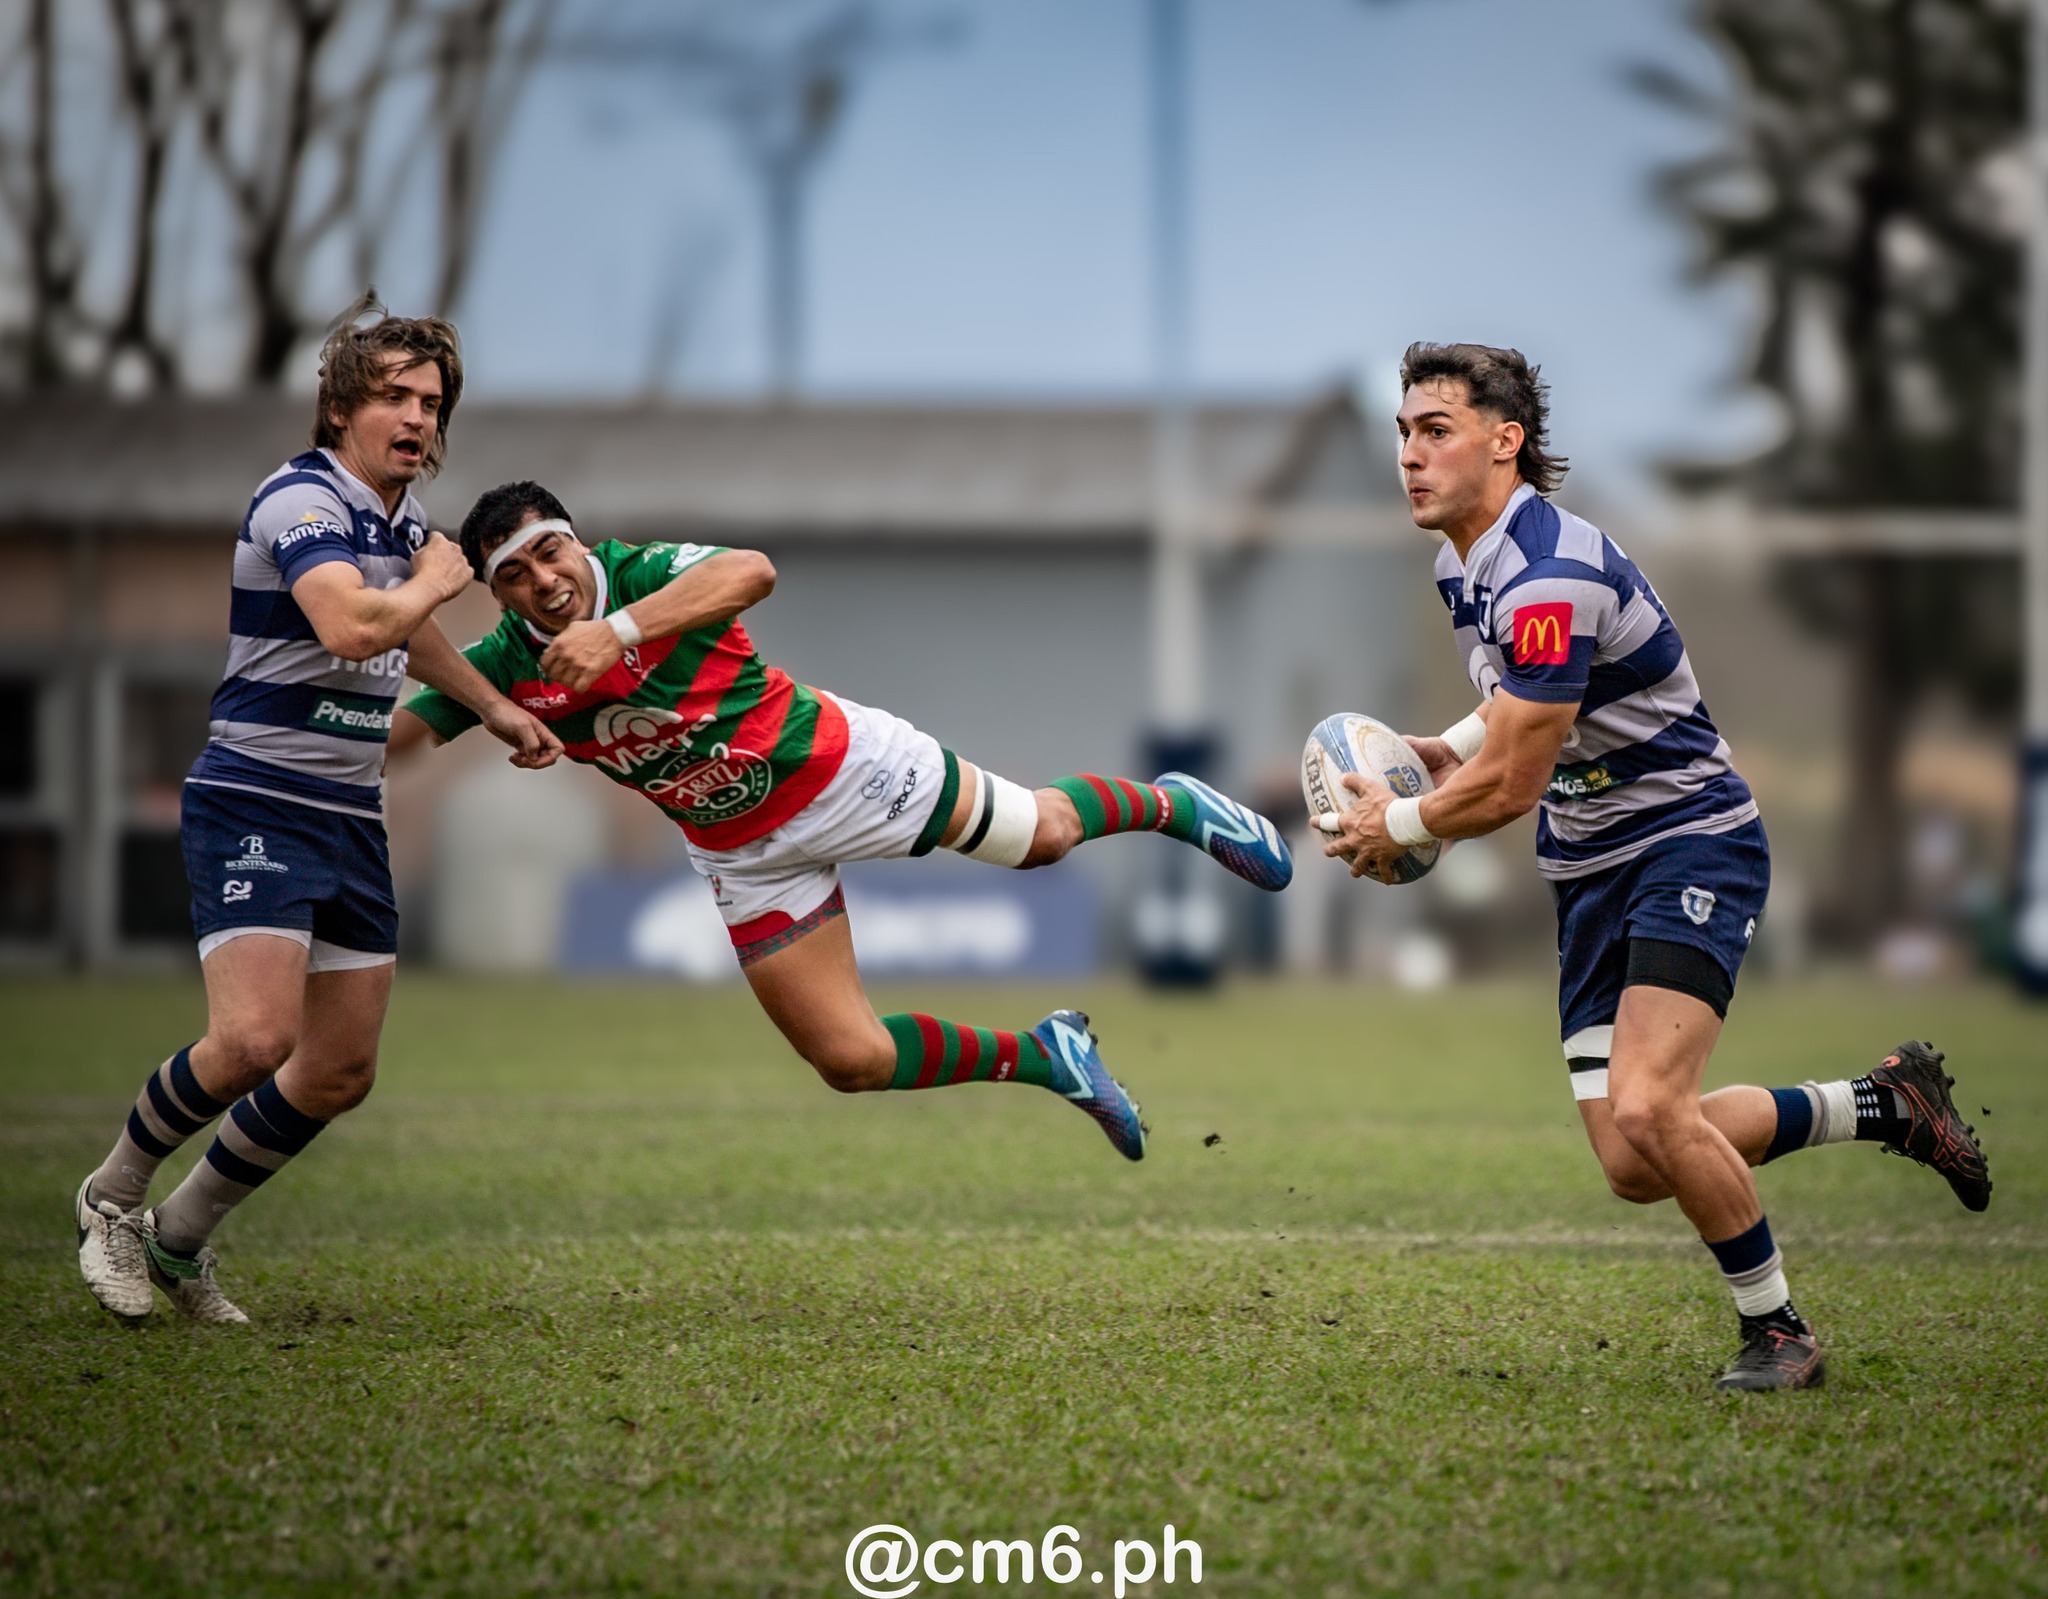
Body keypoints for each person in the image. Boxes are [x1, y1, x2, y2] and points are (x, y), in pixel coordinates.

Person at [1319, 342, 1991, 1393]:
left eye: (1434, 431)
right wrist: (1444, 750)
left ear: (1506, 444)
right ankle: (1883, 1105)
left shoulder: (1547, 575)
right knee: (1636, 1160)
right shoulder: (1467, 562)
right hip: (1588, 863)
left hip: (1690, 842)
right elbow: (1518, 706)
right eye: (1402, 432)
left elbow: (1508, 785)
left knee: (1647, 1106)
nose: (1409, 454)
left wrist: (1400, 820)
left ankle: (1779, 1334)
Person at [388, 481, 1293, 1160]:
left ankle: (1178, 802)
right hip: (743, 853)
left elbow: (752, 571)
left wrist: (618, 632)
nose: (543, 581)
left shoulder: (638, 571)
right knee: (850, 1058)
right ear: (496, 594)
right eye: (513, 574)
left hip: (843, 769)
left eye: (549, 552)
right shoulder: (506, 663)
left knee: (1043, 838)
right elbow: (397, 734)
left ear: (576, 541)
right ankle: (1050, 1055)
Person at [73, 296, 562, 1326]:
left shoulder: (400, 526)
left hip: (350, 812)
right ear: (338, 407)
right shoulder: (301, 502)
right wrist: (434, 577)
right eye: (392, 396)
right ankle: (112, 1197)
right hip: (256, 797)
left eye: (431, 402)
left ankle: (180, 1236)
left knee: (337, 1070)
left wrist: (492, 707)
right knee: (253, 1042)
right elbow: (351, 625)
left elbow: (410, 638)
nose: (417, 418)